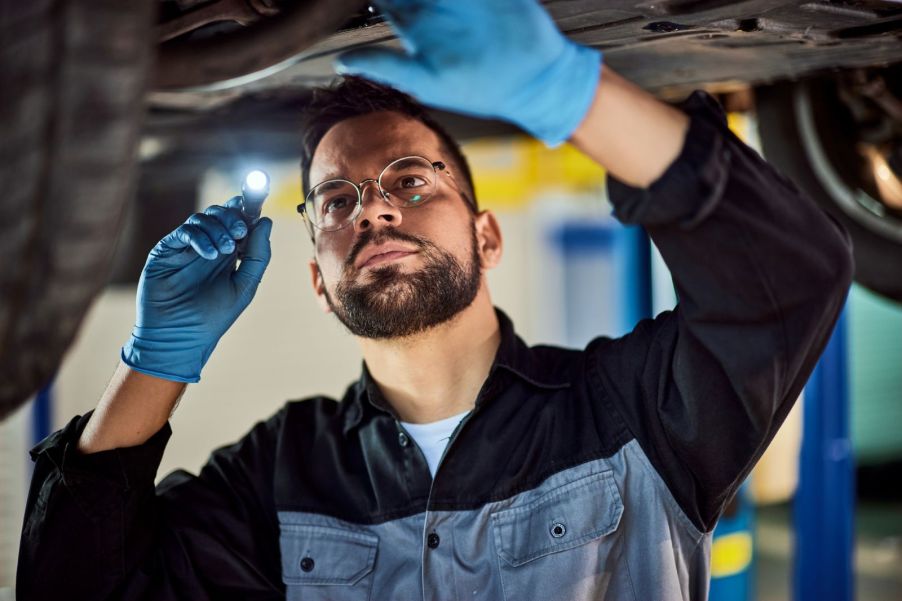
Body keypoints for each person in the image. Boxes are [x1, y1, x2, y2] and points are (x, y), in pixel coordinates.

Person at [17, 0, 853, 599]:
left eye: (410, 180)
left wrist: (567, 90)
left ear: (487, 236)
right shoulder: (279, 474)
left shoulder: (632, 415)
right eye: (336, 200)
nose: (373, 206)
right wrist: (153, 363)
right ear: (318, 279)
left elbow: (790, 275)